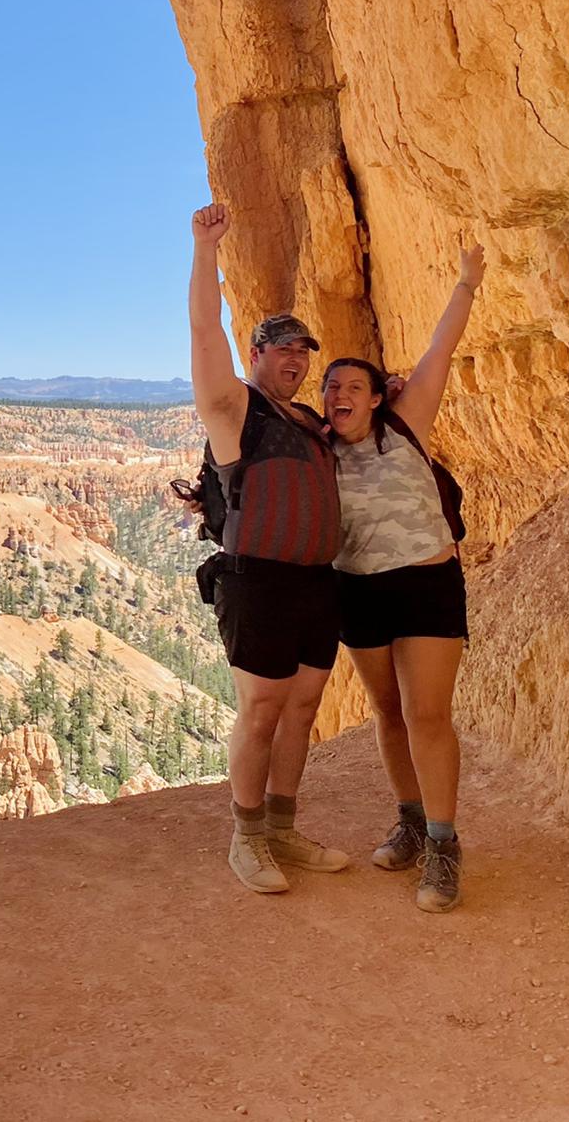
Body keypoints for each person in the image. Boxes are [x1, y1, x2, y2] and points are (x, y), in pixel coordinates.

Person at [187, 203, 349, 895]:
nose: (295, 357)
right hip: (257, 582)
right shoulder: (234, 410)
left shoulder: (311, 421)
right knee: (261, 710)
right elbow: (203, 331)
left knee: (304, 710)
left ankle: (283, 829)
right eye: (282, 347)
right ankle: (247, 836)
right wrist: (206, 251)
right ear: (255, 357)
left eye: (303, 349)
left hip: (317, 583)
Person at [321, 242, 484, 913]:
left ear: (377, 395)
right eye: (331, 386)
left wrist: (467, 282)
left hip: (425, 586)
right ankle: (412, 822)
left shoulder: (405, 425)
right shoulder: (315, 449)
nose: (340, 394)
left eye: (353, 385)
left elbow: (441, 352)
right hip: (358, 590)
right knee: (388, 712)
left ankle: (444, 846)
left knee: (427, 713)